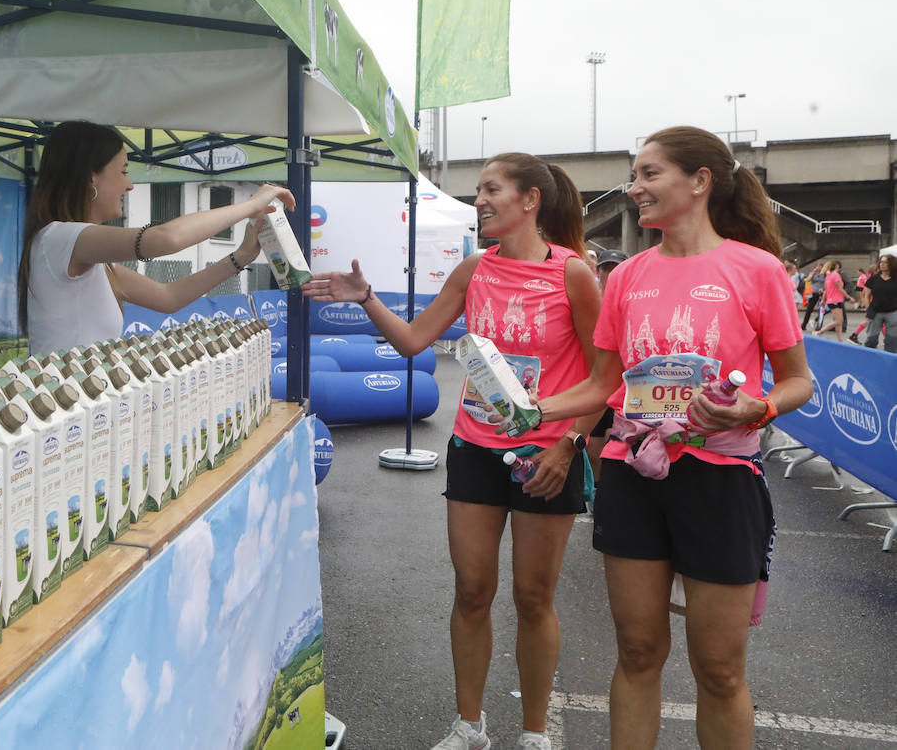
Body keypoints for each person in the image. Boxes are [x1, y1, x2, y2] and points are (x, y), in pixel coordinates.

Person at [305, 153, 601, 750]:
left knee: (534, 598)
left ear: (530, 200)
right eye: (479, 190)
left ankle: (537, 733)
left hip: (547, 458)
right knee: (471, 591)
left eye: (492, 189)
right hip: (474, 447)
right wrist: (366, 299)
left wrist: (569, 447)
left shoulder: (574, 275)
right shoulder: (473, 270)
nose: (481, 200)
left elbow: (604, 377)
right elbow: (415, 339)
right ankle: (470, 727)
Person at [528, 126, 811, 750]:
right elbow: (603, 384)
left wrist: (754, 408)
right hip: (633, 473)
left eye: (649, 174)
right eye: (635, 176)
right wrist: (532, 410)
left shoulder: (757, 270)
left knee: (718, 669)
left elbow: (798, 382)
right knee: (636, 650)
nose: (635, 189)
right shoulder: (627, 275)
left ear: (700, 182)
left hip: (721, 479)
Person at [18, 121, 294, 355]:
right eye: (124, 171)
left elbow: (168, 297)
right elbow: (167, 238)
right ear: (92, 177)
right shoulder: (58, 238)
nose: (130, 184)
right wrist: (250, 205)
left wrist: (241, 257)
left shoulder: (91, 257)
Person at [587, 249, 630, 478]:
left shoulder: (633, 302)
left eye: (615, 268)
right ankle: (596, 494)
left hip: (623, 387)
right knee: (592, 451)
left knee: (611, 447)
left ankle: (603, 496)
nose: (610, 273)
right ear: (598, 272)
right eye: (606, 268)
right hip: (595, 384)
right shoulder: (589, 301)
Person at [862, 254, 897, 352]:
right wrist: (868, 309)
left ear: (892, 264)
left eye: (885, 262)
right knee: (871, 340)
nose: (882, 264)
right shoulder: (873, 279)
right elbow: (866, 296)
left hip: (893, 313)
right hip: (875, 312)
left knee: (892, 341)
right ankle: (869, 359)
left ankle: (890, 362)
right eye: (881, 262)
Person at [815, 260, 857, 341]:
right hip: (836, 300)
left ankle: (840, 339)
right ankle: (820, 332)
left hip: (833, 300)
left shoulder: (828, 276)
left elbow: (826, 290)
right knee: (838, 321)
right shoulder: (836, 275)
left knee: (839, 321)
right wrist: (848, 297)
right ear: (837, 266)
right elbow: (839, 288)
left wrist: (823, 301)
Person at [799, 263, 825, 330]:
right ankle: (804, 324)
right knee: (809, 310)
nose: (819, 268)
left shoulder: (825, 274)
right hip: (813, 292)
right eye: (818, 266)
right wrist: (813, 272)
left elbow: (826, 283)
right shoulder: (813, 273)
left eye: (821, 267)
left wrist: (823, 289)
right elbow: (808, 279)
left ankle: (818, 326)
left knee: (821, 310)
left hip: (821, 293)